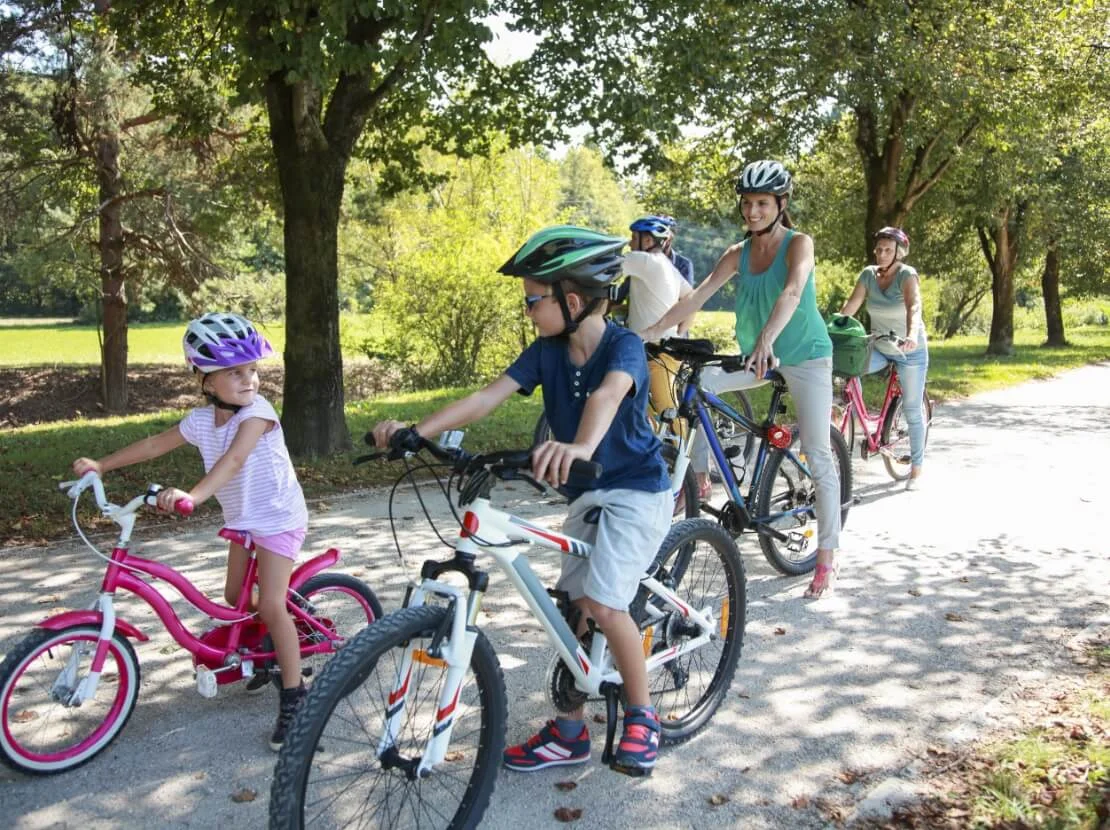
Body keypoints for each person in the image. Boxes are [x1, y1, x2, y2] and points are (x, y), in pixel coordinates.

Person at [370, 225, 673, 776]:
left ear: (571, 302)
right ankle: (570, 731)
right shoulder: (546, 351)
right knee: (573, 608)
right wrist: (415, 432)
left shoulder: (623, 346)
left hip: (636, 490)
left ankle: (642, 715)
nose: (528, 311)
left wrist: (579, 446)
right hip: (588, 491)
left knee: (605, 604)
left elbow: (608, 394)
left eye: (534, 300)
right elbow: (487, 398)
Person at [71, 312, 310, 750]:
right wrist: (102, 464)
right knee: (234, 595)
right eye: (234, 372)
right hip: (243, 519)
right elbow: (154, 444)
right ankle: (276, 636)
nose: (249, 380)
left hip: (277, 518)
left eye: (252, 369)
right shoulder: (201, 421)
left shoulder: (257, 413)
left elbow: (233, 460)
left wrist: (194, 496)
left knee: (271, 605)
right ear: (205, 379)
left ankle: (296, 698)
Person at [641, 160, 842, 599]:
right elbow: (697, 296)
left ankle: (827, 556)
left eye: (762, 203)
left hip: (805, 355)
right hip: (758, 356)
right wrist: (649, 333)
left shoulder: (799, 244)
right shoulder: (738, 253)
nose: (752, 211)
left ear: (781, 204)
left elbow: (793, 290)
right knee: (699, 386)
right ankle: (699, 478)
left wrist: (768, 337)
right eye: (747, 203)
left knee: (817, 452)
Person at [839, 226, 929, 489]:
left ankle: (916, 469)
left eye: (888, 250)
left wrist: (911, 334)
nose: (881, 254)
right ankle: (862, 422)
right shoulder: (868, 274)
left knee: (912, 409)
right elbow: (851, 306)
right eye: (879, 249)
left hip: (909, 350)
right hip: (879, 346)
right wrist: (833, 325)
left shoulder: (907, 275)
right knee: (850, 368)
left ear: (898, 253)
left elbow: (914, 306)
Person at [622, 216, 697, 472]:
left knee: (669, 409)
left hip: (659, 352)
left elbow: (606, 265)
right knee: (638, 404)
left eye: (634, 237)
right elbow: (691, 297)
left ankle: (685, 471)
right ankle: (657, 452)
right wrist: (680, 331)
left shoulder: (645, 261)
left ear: (648, 241)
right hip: (652, 349)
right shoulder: (666, 264)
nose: (630, 242)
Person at [658, 214, 695, 286]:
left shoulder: (684, 264)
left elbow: (687, 292)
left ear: (672, 237)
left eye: (665, 234)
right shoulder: (644, 258)